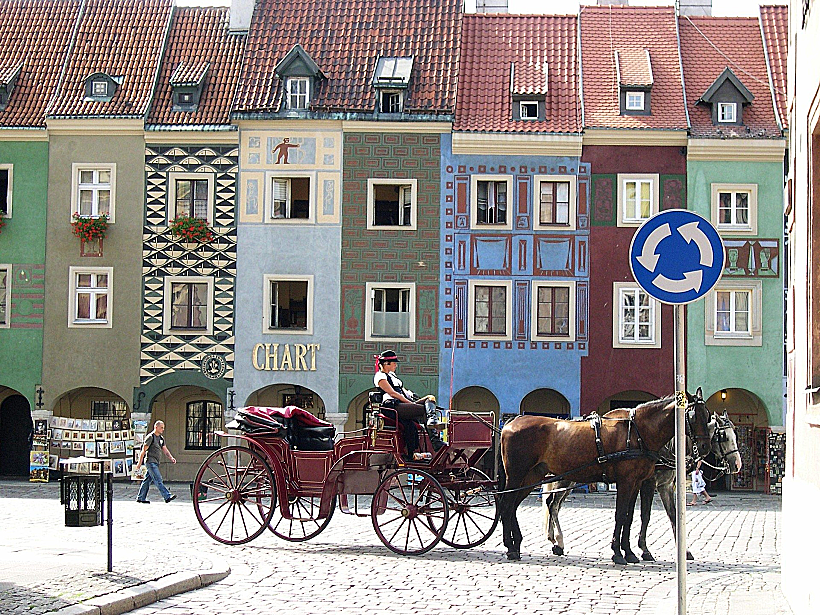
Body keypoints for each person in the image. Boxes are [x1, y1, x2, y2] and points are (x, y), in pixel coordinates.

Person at [373, 349, 442, 459]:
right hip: (392, 406)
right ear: (386, 364)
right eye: (394, 363)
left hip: (402, 403)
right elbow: (393, 393)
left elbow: (404, 392)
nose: (396, 365)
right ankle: (434, 440)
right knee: (423, 409)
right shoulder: (380, 376)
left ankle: (432, 424)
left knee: (430, 398)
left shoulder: (393, 376)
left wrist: (413, 398)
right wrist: (411, 404)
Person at [135, 420, 177, 503]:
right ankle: (167, 496)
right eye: (161, 428)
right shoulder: (150, 437)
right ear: (156, 427)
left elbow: (165, 450)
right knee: (158, 479)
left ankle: (141, 497)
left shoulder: (161, 438)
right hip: (150, 462)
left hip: (156, 462)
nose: (163, 429)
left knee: (147, 480)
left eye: (163, 428)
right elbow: (143, 451)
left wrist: (171, 458)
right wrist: (139, 464)